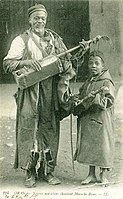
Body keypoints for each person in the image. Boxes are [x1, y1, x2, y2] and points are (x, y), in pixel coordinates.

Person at [3, 4, 76, 187]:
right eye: (36, 18)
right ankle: (30, 172)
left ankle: (47, 171)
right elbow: (8, 64)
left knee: (49, 128)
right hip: (29, 92)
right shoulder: (21, 40)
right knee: (30, 128)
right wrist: (28, 62)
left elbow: (67, 62)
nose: (39, 22)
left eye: (42, 18)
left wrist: (70, 62)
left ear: (46, 20)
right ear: (30, 20)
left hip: (50, 90)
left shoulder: (55, 39)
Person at [73, 50, 115, 185]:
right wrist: (77, 100)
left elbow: (109, 100)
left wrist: (95, 99)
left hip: (101, 121)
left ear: (103, 66)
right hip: (87, 120)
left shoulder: (106, 82)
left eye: (97, 63)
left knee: (102, 147)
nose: (93, 66)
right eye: (91, 63)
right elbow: (81, 94)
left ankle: (103, 175)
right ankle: (91, 174)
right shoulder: (88, 81)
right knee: (89, 146)